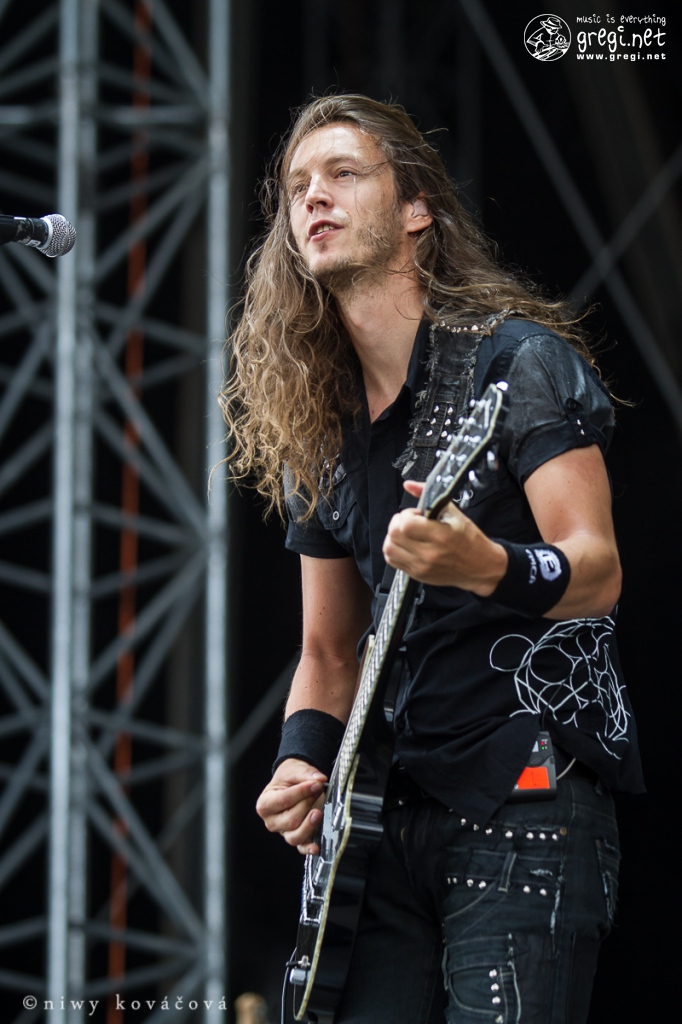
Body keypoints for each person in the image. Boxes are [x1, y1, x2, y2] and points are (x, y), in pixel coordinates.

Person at [222, 94, 643, 1024]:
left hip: (524, 793)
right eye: (296, 187)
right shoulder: (319, 425)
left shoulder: (515, 365)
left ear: (417, 206)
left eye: (343, 174)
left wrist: (486, 565)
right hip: (377, 816)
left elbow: (598, 569)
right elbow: (328, 649)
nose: (312, 198)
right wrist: (299, 761)